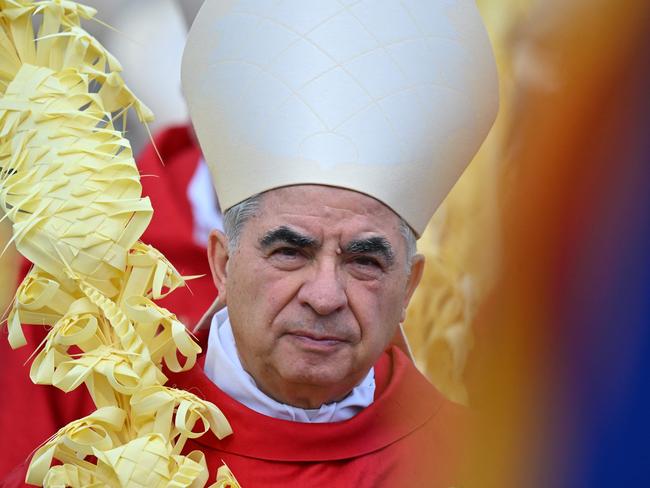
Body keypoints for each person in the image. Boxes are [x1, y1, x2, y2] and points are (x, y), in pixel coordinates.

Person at [164, 0, 498, 485]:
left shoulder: (475, 464)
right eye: (290, 252)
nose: (324, 297)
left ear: (409, 287)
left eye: (364, 261)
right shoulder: (117, 438)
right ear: (222, 263)